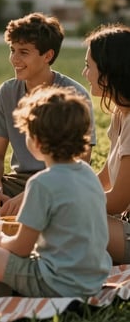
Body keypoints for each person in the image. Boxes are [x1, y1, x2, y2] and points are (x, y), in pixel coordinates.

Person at [0, 86, 111, 300]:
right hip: (93, 281)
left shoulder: (42, 183)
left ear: (37, 142)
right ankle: (7, 287)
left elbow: (21, 247)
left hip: (55, 283)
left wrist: (0, 241)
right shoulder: (87, 174)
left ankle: (13, 286)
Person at [0, 12, 96, 215]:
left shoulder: (74, 95)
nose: (14, 59)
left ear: (48, 56)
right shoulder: (7, 92)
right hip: (19, 181)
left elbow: (81, 162)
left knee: (61, 202)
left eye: (24, 52)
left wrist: (33, 193)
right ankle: (16, 214)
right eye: (12, 50)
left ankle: (16, 215)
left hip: (60, 180)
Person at [83, 23, 130, 264]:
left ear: (108, 72)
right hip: (122, 225)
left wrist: (71, 202)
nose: (84, 73)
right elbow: (106, 177)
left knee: (67, 221)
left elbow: (118, 200)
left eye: (88, 66)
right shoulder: (121, 113)